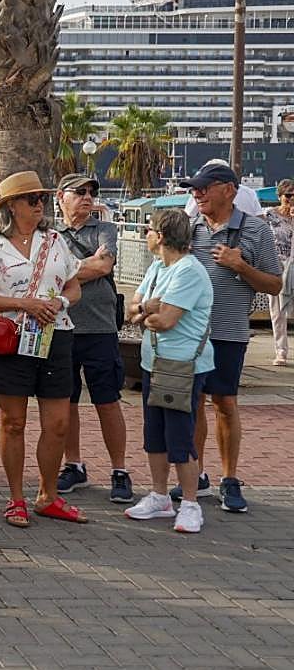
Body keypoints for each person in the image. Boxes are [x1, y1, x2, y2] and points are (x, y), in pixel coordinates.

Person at [0, 170, 84, 528]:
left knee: (59, 423)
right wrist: (24, 305)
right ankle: (16, 497)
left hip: (55, 336)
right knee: (13, 421)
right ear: (12, 207)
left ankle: (48, 495)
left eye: (42, 199)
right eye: (32, 199)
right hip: (11, 339)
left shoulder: (55, 241)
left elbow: (74, 287)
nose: (40, 205)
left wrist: (58, 304)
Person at [177, 162, 281, 513]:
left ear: (229, 190)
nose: (197, 194)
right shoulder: (188, 229)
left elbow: (275, 284)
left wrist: (241, 267)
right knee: (193, 403)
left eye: (204, 187)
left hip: (228, 332)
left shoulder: (255, 230)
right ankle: (197, 474)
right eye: (194, 189)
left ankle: (229, 478)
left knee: (224, 403)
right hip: (189, 334)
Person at [123, 209, 214, 534]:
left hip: (183, 365)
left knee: (179, 435)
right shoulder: (159, 267)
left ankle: (190, 503)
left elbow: (165, 321)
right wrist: (148, 307)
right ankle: (160, 496)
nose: (145, 234)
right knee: (155, 433)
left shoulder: (189, 270)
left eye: (148, 229)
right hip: (154, 363)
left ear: (160, 236)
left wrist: (145, 312)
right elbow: (132, 306)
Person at [53, 173, 132, 503]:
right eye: (79, 192)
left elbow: (102, 266)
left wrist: (64, 269)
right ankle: (73, 465)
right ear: (61, 197)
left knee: (107, 399)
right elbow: (44, 272)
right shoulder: (50, 234)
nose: (87, 197)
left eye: (91, 193)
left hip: (100, 328)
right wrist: (80, 265)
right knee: (65, 400)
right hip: (63, 327)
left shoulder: (105, 228)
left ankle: (119, 469)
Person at [262, 178, 294, 365]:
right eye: (288, 195)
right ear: (280, 196)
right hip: (277, 265)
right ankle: (281, 350)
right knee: (277, 311)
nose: (291, 199)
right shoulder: (269, 215)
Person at [183, 159, 262, 218]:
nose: (196, 194)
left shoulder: (202, 192)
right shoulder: (250, 192)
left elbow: (188, 216)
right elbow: (260, 217)